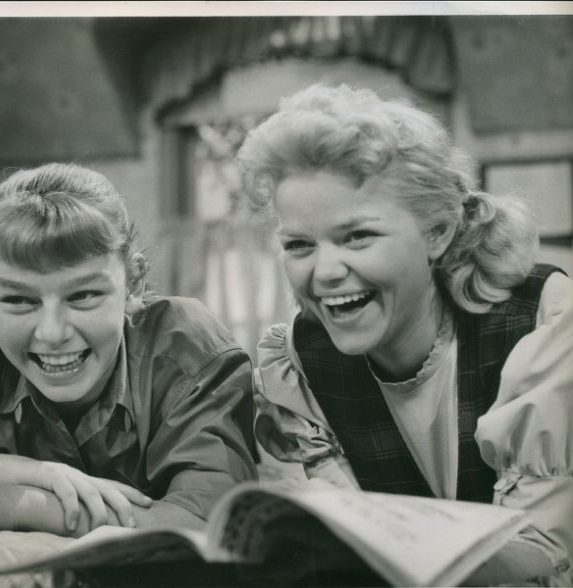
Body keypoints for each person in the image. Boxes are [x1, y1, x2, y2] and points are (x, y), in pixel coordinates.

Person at [236, 84, 572, 585]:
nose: (325, 272)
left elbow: (544, 553)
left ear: (437, 231)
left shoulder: (541, 323)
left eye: (358, 236)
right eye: (300, 244)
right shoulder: (298, 364)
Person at [0, 162, 257, 538]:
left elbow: (214, 525)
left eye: (83, 295)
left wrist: (17, 503)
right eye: (18, 300)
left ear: (133, 284)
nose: (51, 333)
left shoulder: (185, 349)